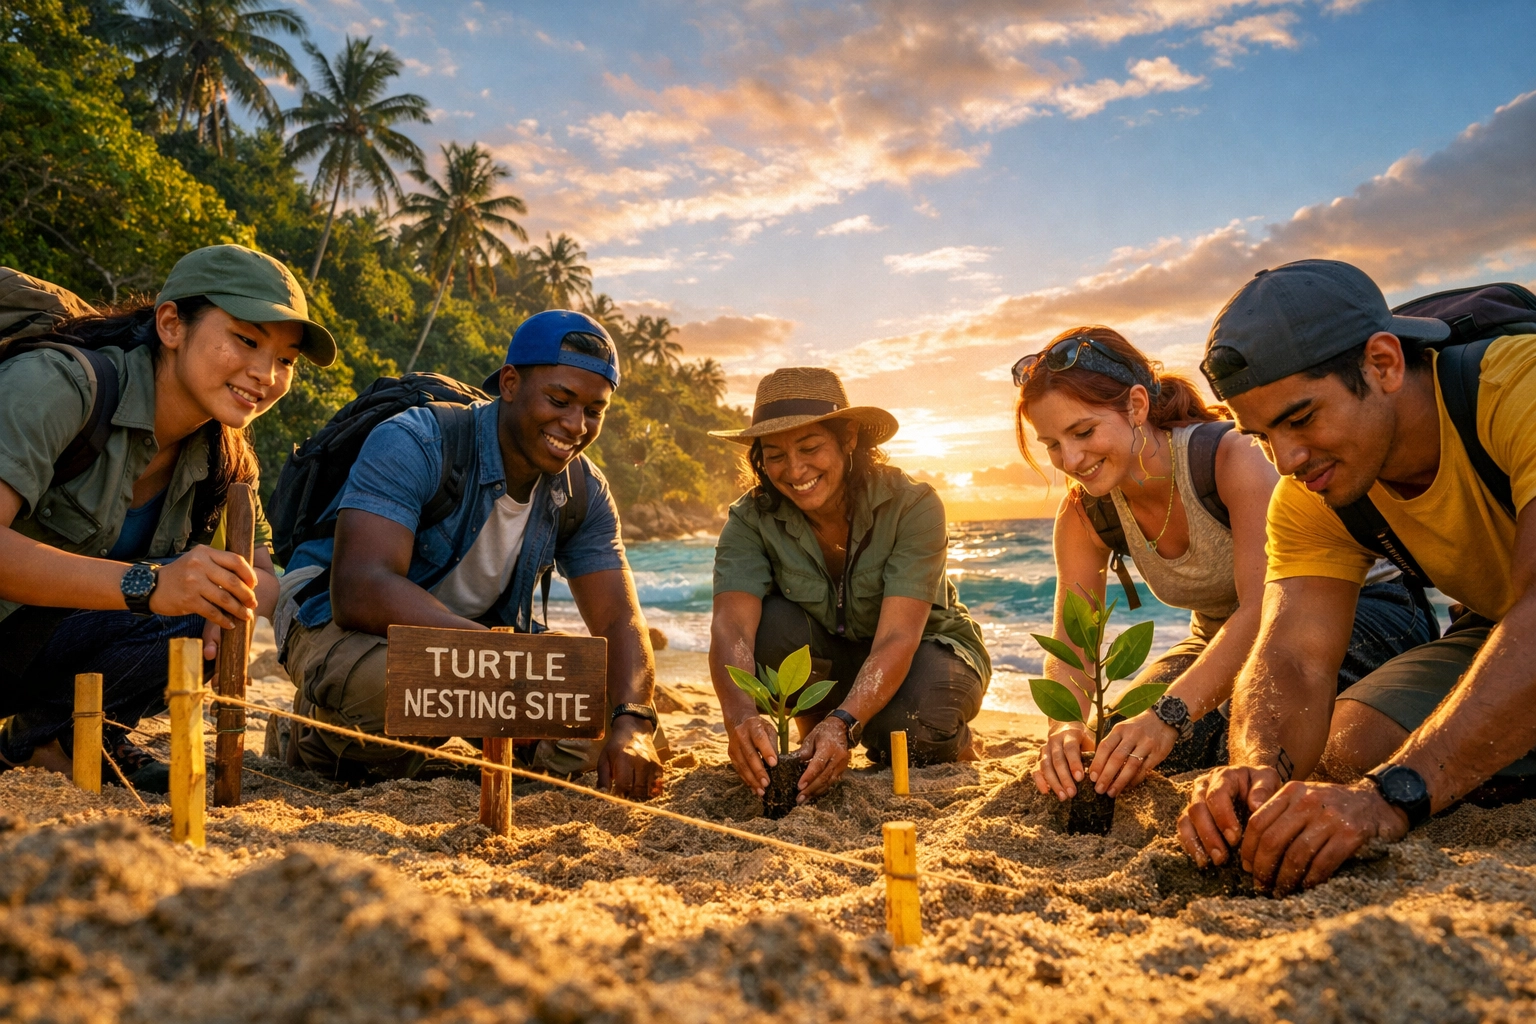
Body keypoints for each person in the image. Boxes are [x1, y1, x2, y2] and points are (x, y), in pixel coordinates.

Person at [1178, 259, 1536, 894]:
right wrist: (1256, 774)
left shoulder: (1518, 387)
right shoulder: (1311, 492)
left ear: (1384, 364)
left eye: (1300, 418)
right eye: (1261, 436)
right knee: (1346, 755)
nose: (1286, 460)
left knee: (1401, 775)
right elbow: (1293, 657)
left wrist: (1394, 795)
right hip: (1497, 625)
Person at [1015, 326, 1436, 802]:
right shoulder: (1084, 513)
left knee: (1239, 735)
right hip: (1218, 639)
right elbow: (1074, 637)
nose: (1071, 459)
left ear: (1136, 406)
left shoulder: (1229, 456)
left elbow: (1264, 608)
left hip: (1353, 612)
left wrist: (1169, 715)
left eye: (1083, 431)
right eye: (1052, 444)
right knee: (1119, 748)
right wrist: (1065, 726)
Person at [280, 310, 664, 799]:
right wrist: (501, 669)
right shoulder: (418, 439)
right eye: (559, 400)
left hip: (476, 633)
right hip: (333, 615)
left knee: (610, 720)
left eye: (594, 410)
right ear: (510, 383)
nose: (575, 425)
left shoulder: (584, 489)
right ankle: (308, 735)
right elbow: (360, 588)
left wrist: (634, 723)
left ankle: (442, 729)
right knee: (425, 692)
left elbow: (617, 619)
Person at [0, 246, 335, 788]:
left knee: (209, 608)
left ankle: (61, 739)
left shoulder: (227, 458)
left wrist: (232, 593)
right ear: (172, 324)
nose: (265, 374)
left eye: (287, 360)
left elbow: (264, 574)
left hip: (34, 651)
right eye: (247, 340)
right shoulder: (59, 385)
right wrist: (151, 584)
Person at [708, 367, 990, 805]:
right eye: (775, 455)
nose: (794, 469)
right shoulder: (750, 518)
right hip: (832, 655)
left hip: (926, 649)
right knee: (771, 626)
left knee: (910, 733)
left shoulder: (913, 505)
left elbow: (898, 637)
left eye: (810, 448)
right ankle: (814, 736)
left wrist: (844, 723)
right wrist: (740, 717)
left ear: (849, 438)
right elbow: (732, 626)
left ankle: (939, 738)